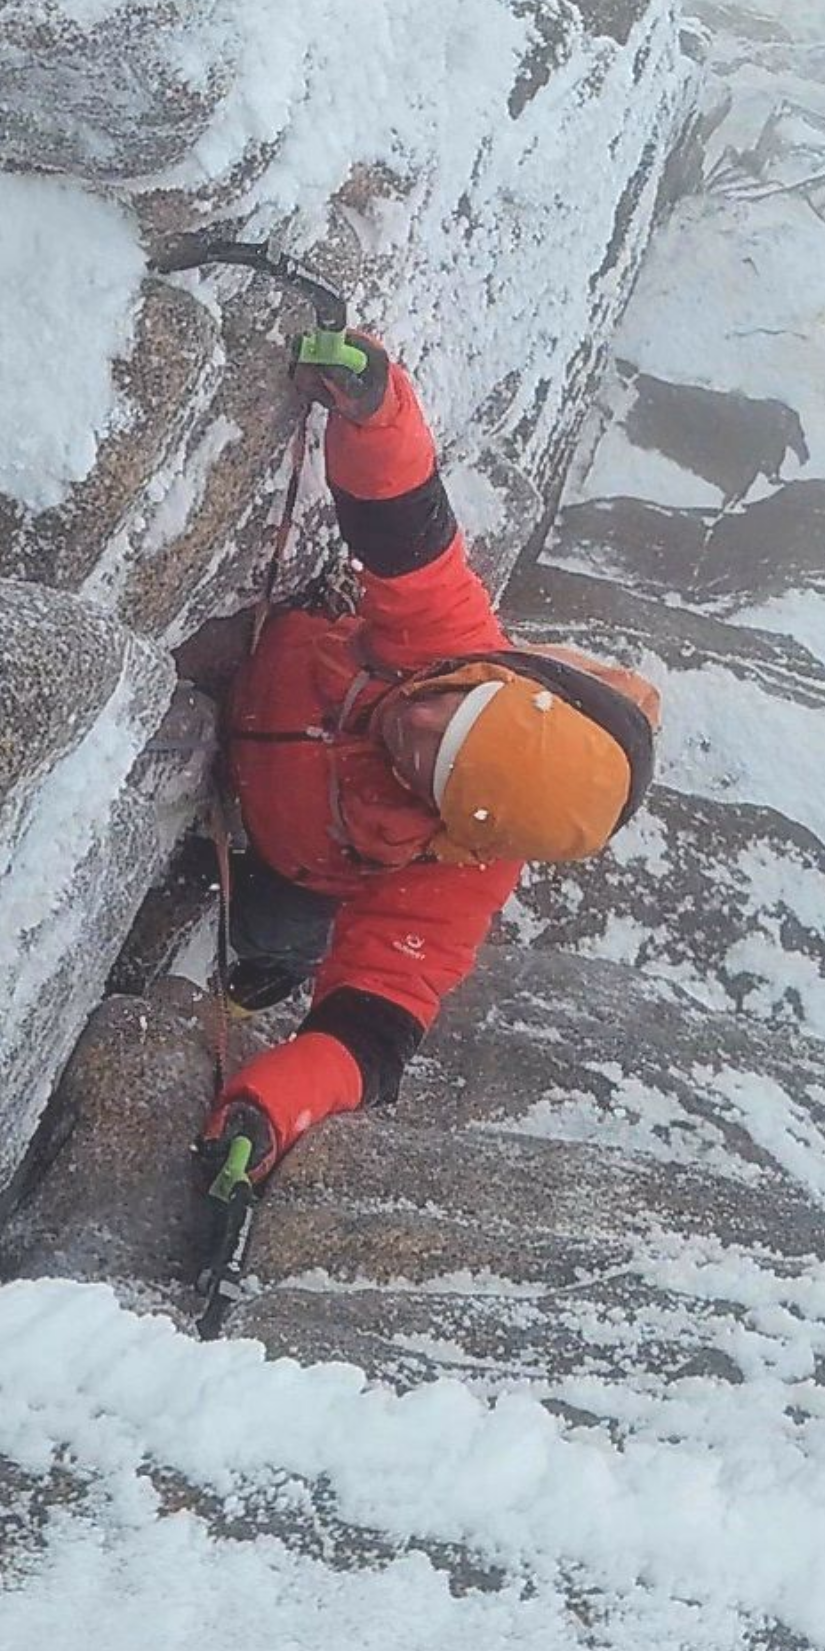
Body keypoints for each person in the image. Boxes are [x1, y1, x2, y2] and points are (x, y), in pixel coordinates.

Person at [200, 328, 661, 1187]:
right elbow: (404, 516)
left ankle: (265, 960)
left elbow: (373, 1031)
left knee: (276, 931)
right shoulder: (449, 647)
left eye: (434, 771)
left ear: (464, 828)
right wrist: (373, 403)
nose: (418, 727)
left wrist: (265, 1113)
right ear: (498, 678)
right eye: (457, 712)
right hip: (258, 700)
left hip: (281, 850)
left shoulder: (456, 883)